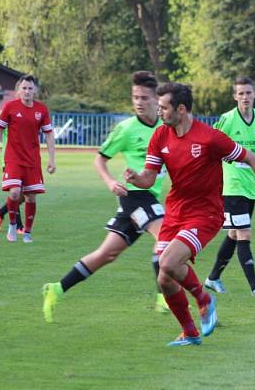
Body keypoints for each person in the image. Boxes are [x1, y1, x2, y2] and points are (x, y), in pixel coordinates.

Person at [123, 82, 255, 347]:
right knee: (164, 277)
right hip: (176, 211)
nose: (160, 112)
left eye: (164, 107)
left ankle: (204, 300)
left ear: (180, 109)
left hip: (206, 214)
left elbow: (254, 159)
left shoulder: (210, 138)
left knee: (168, 263)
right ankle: (190, 333)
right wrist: (135, 178)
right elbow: (148, 178)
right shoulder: (160, 136)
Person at [42, 71, 170, 322]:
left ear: (157, 99)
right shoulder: (126, 129)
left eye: (144, 97)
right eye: (135, 97)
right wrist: (111, 181)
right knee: (165, 234)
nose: (139, 102)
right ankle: (163, 296)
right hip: (134, 195)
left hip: (149, 196)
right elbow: (99, 159)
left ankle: (57, 288)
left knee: (106, 254)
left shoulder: (165, 127)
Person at [204, 76, 255, 298]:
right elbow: (210, 145)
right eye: (241, 93)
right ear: (235, 96)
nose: (245, 97)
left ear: (254, 94)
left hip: (249, 187)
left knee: (235, 234)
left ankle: (213, 278)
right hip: (231, 187)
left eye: (248, 93)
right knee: (244, 233)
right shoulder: (226, 120)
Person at [0, 75, 56, 243]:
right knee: (15, 192)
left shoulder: (42, 110)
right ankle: (12, 225)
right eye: (24, 88)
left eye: (30, 88)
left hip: (32, 160)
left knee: (30, 197)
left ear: (35, 91)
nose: (27, 91)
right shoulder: (9, 107)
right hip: (13, 158)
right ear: (18, 90)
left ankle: (28, 232)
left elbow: (49, 135)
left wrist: (52, 159)